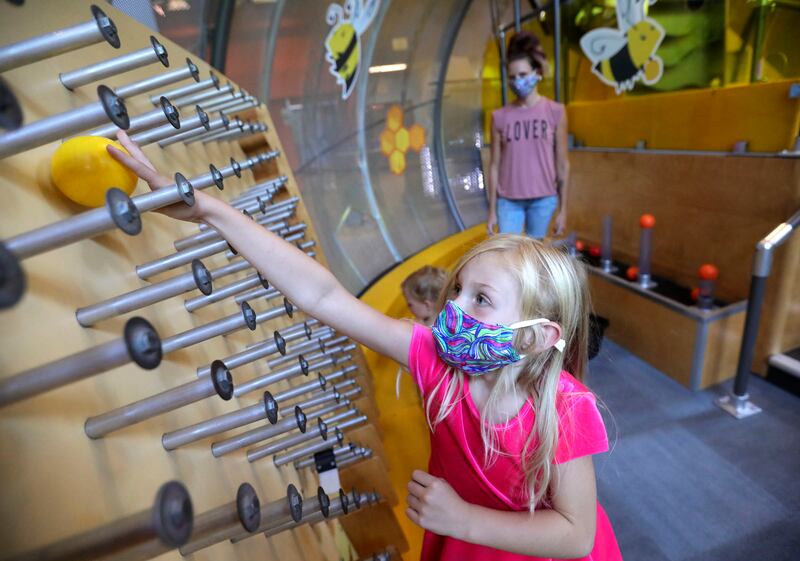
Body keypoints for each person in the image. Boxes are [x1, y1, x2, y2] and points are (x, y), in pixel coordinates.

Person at [109, 131, 621, 561]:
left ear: (534, 338)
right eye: (458, 289)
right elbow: (322, 294)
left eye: (480, 299)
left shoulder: (566, 409)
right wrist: (209, 212)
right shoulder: (435, 361)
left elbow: (576, 534)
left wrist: (464, 519)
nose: (454, 308)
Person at [488, 31, 570, 240]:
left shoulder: (555, 111)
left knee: (534, 257)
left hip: (543, 199)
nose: (517, 82)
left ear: (536, 72)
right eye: (512, 77)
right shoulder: (499, 117)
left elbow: (562, 164)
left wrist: (564, 210)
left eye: (523, 75)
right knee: (509, 256)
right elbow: (494, 165)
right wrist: (491, 211)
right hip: (508, 200)